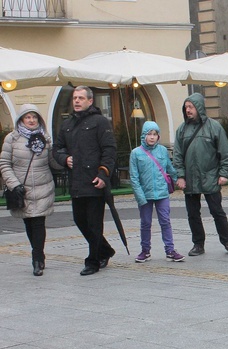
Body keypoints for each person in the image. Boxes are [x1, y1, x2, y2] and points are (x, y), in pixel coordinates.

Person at [53, 86, 117, 276]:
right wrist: (64, 158)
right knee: (80, 220)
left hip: (95, 181)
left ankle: (93, 260)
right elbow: (56, 149)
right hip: (77, 182)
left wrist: (104, 174)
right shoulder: (67, 124)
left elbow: (109, 150)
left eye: (81, 98)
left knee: (94, 223)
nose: (77, 101)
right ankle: (105, 249)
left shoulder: (100, 122)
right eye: (74, 98)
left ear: (90, 101)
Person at [173, 93, 228, 257]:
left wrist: (224, 173)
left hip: (210, 176)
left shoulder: (214, 127)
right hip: (190, 179)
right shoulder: (181, 129)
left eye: (191, 107)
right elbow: (177, 155)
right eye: (186, 107)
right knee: (193, 214)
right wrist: (180, 176)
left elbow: (225, 152)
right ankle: (198, 244)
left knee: (217, 211)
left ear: (199, 108)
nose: (188, 110)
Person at [0, 104, 59, 276]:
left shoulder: (45, 138)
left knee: (38, 222)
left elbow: (53, 163)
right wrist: (14, 184)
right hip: (21, 189)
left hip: (43, 187)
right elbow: (4, 164)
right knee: (29, 222)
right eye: (28, 117)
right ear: (21, 119)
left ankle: (37, 258)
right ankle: (37, 253)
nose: (31, 120)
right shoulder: (12, 139)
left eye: (34, 117)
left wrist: (62, 155)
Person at [129, 121, 184, 263]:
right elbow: (134, 178)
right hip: (145, 195)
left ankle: (170, 250)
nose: (152, 137)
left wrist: (179, 179)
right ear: (144, 136)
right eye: (149, 134)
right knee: (146, 223)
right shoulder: (136, 153)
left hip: (161, 193)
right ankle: (145, 250)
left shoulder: (162, 151)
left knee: (165, 221)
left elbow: (170, 168)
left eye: (155, 134)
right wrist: (140, 197)